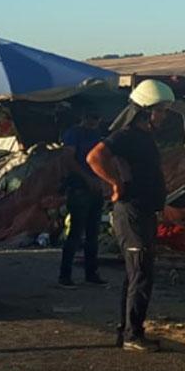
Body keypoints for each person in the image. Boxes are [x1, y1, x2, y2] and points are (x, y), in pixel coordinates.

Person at [87, 80, 174, 352]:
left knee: (137, 273)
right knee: (140, 274)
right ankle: (132, 335)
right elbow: (95, 156)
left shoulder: (144, 138)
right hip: (132, 213)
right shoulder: (125, 136)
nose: (164, 116)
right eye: (161, 110)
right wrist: (115, 184)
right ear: (146, 111)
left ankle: (128, 329)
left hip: (144, 212)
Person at [56, 106, 107, 289]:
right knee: (76, 233)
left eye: (97, 118)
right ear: (83, 117)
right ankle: (65, 275)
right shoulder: (74, 134)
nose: (94, 121)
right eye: (91, 117)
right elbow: (68, 159)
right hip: (78, 187)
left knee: (93, 233)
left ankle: (91, 273)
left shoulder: (97, 134)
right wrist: (87, 178)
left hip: (95, 187)